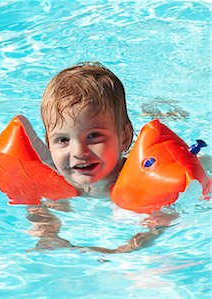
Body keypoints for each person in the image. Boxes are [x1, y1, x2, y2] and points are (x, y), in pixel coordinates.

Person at [26, 62, 177, 253]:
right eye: (63, 140)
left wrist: (126, 249)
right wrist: (48, 233)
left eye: (94, 136)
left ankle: (160, 109)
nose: (79, 152)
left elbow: (163, 220)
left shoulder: (142, 181)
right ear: (49, 144)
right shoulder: (54, 182)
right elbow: (37, 208)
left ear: (125, 138)